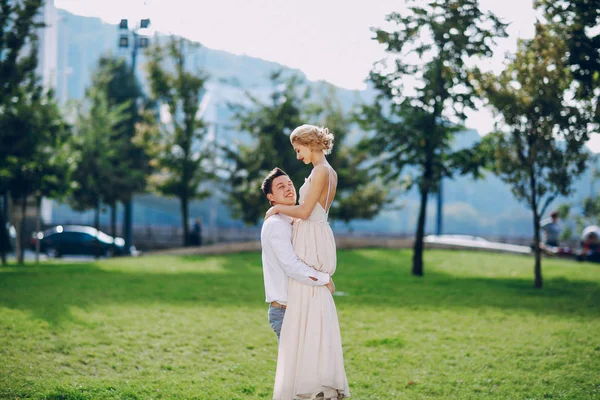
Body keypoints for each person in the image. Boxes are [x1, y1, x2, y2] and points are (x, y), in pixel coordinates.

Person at [265, 124, 350, 400]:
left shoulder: (322, 171)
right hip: (314, 232)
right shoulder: (325, 171)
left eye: (297, 148)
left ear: (307, 142)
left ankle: (310, 383)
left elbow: (304, 211)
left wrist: (277, 207)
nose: (297, 154)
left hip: (313, 234)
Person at [260, 167, 335, 342]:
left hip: (300, 307)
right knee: (296, 369)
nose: (288, 188)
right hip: (286, 311)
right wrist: (324, 279)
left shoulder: (294, 221)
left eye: (290, 184)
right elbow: (291, 265)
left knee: (307, 367)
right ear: (270, 197)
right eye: (280, 187)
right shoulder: (276, 224)